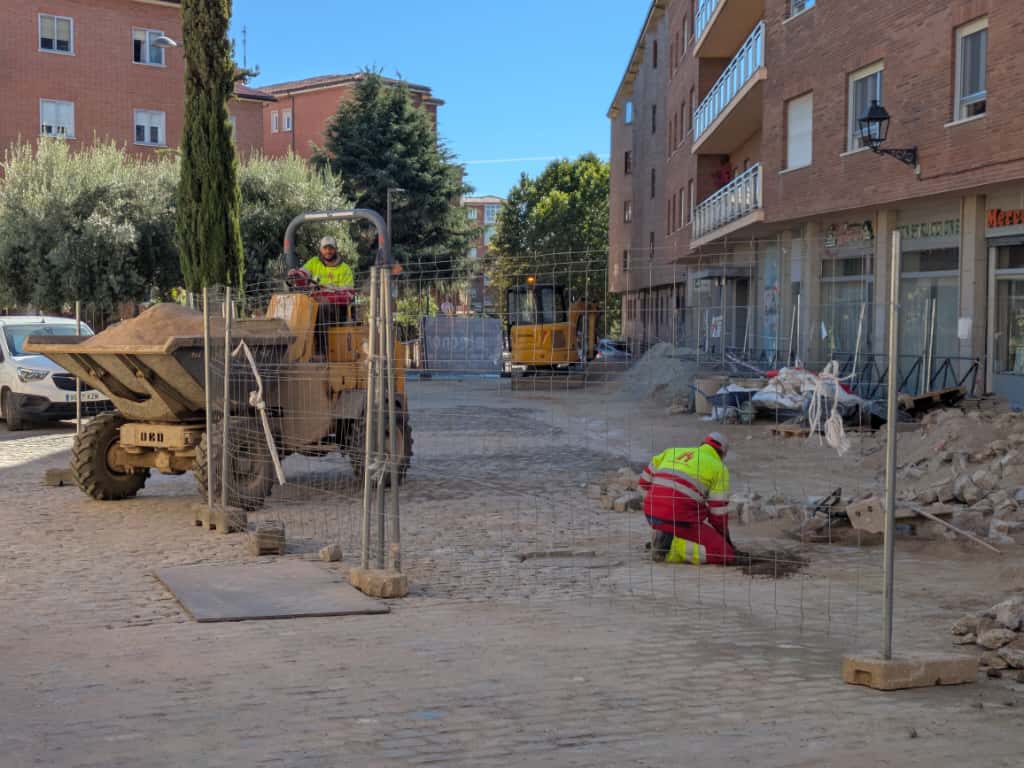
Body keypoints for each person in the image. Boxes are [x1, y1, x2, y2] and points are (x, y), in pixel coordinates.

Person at [638, 432, 740, 566]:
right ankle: (670, 548)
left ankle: (665, 533)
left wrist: (658, 505)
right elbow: (718, 514)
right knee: (725, 554)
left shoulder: (672, 451)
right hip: (679, 519)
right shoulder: (719, 468)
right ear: (722, 454)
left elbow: (643, 484)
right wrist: (726, 541)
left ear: (702, 444)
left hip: (651, 515)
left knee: (697, 509)